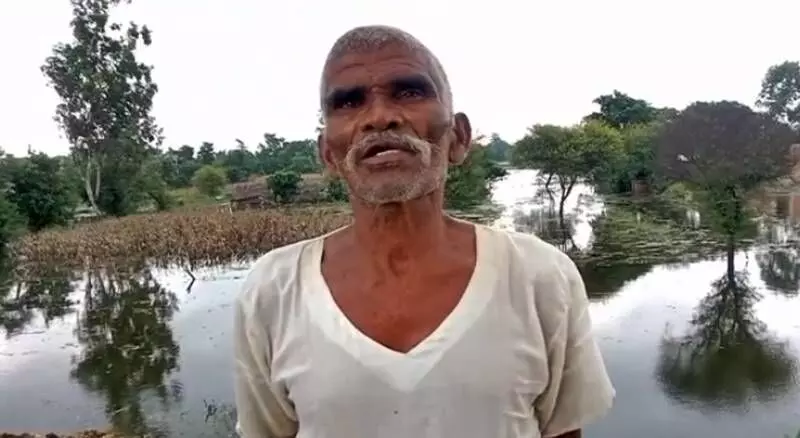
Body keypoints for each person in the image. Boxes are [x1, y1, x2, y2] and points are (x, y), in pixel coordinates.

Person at [233, 24, 615, 438]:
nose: (379, 117)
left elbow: (563, 431)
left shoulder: (540, 277)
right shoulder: (272, 291)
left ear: (459, 138)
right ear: (328, 153)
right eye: (348, 101)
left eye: (409, 92)